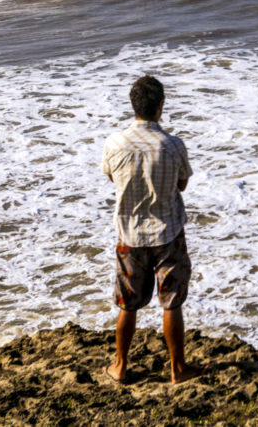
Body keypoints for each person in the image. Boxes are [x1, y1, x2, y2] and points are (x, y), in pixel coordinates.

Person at [100, 75, 203, 383]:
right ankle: (177, 368)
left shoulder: (115, 143)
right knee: (171, 302)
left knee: (128, 304)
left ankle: (120, 366)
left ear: (134, 106)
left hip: (129, 234)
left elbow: (111, 178)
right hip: (167, 233)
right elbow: (182, 184)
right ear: (161, 106)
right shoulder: (173, 146)